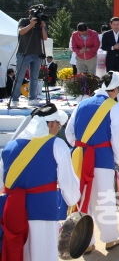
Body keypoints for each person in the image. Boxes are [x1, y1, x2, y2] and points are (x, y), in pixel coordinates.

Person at [0, 104, 80, 261]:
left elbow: (2, 184)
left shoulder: (9, 146)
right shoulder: (57, 144)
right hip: (43, 209)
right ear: (51, 124)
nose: (59, 128)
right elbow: (68, 181)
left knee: (19, 253)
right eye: (58, 125)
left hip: (12, 212)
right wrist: (73, 198)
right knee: (44, 255)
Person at [66, 72, 119, 252]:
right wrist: (118, 158)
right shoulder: (113, 106)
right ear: (114, 90)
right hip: (102, 157)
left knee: (82, 197)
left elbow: (69, 133)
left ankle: (86, 242)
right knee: (104, 199)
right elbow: (117, 136)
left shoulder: (81, 104)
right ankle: (111, 238)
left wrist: (81, 147)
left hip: (80, 158)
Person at [10, 8, 48, 107]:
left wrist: (42, 27)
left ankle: (32, 99)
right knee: (19, 77)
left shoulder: (40, 24)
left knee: (34, 78)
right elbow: (21, 32)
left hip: (37, 54)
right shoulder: (24, 21)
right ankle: (14, 99)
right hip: (23, 53)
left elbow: (45, 38)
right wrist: (31, 25)